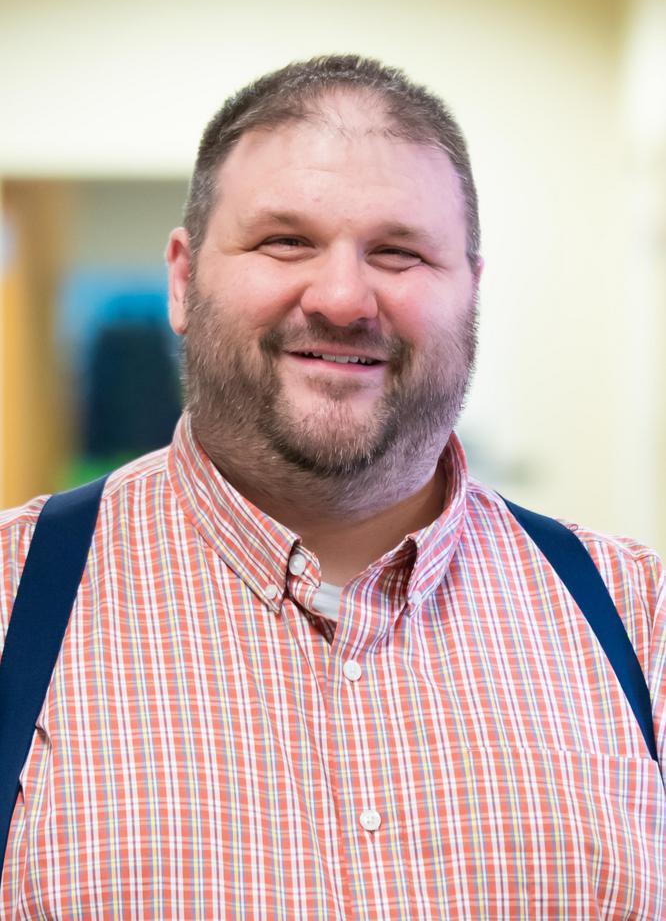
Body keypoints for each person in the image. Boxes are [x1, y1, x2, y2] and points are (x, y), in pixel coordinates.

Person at [0, 54, 664, 919]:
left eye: (399, 252)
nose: (345, 298)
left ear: (471, 294)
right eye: (286, 240)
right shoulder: (13, 597)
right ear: (183, 279)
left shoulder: (640, 620)